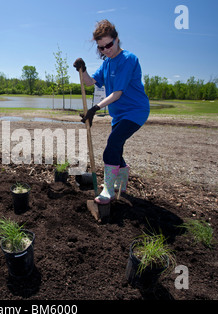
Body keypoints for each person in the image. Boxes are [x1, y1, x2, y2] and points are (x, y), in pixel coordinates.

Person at [74, 19, 150, 204]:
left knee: (112, 145)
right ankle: (121, 184)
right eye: (101, 48)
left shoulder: (128, 59)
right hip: (119, 115)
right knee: (117, 147)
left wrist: (95, 109)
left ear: (117, 40)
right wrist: (82, 70)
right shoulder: (107, 64)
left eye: (108, 44)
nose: (106, 49)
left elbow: (117, 93)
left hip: (135, 111)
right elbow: (91, 82)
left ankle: (108, 190)